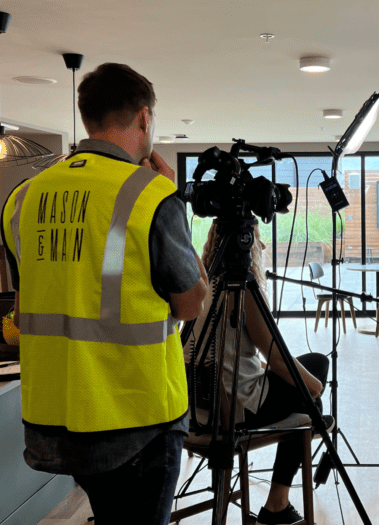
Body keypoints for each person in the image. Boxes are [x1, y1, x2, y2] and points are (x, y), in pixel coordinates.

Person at [1, 63, 208, 525]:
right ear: (144, 118)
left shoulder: (22, 197)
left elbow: (24, 304)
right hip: (139, 418)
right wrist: (175, 210)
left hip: (56, 417)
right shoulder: (151, 194)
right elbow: (192, 302)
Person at [187, 222, 331, 525]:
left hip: (196, 409)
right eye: (259, 241)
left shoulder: (202, 282)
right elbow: (277, 358)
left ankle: (311, 419)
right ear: (246, 245)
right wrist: (315, 386)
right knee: (313, 384)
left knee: (309, 370)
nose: (263, 248)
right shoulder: (243, 291)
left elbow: (236, 353)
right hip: (234, 410)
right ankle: (277, 504)